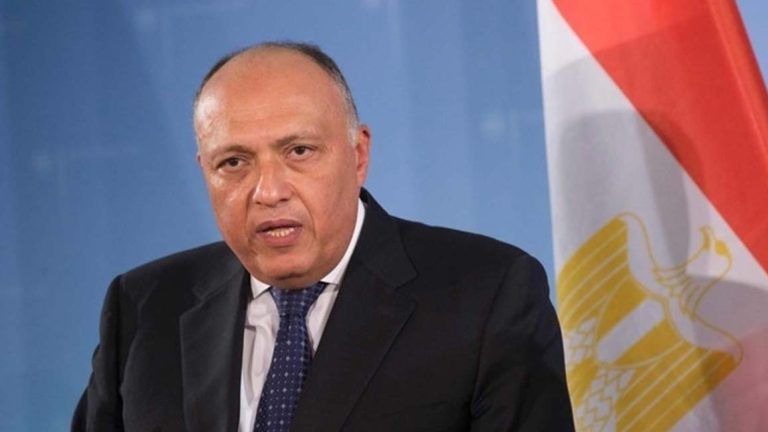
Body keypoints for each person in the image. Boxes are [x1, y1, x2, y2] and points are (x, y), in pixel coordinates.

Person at [73, 41, 574, 432]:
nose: (269, 191)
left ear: (358, 155)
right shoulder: (144, 306)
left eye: (299, 152)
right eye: (234, 162)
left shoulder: (487, 295)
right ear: (205, 170)